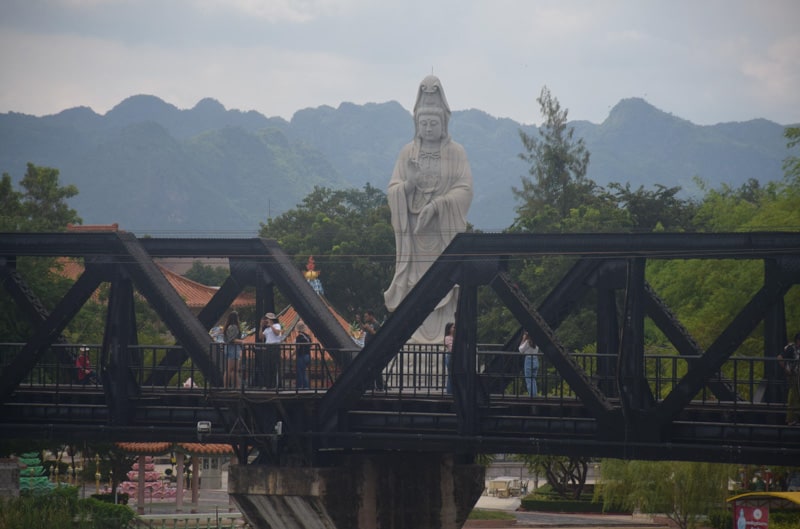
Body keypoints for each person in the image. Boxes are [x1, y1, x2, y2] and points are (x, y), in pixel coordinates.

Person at [383, 75, 473, 344]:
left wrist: (438, 205)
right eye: (424, 123)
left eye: (434, 122)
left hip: (442, 236)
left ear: (444, 123)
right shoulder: (406, 152)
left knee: (444, 283)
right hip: (413, 238)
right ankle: (412, 339)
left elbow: (465, 189)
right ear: (416, 124)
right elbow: (393, 189)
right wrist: (408, 185)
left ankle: (445, 338)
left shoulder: (456, 152)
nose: (429, 127)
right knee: (414, 290)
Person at [778, 332, 800, 425]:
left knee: (795, 397)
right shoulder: (792, 348)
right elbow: (780, 357)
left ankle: (793, 418)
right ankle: (792, 419)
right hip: (795, 376)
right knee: (794, 396)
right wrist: (786, 369)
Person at [361, 310, 385, 390]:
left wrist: (369, 329)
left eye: (366, 316)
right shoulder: (370, 324)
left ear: (371, 316)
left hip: (374, 350)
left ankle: (379, 386)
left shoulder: (376, 324)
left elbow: (377, 334)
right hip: (368, 349)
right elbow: (364, 329)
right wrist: (359, 322)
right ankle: (371, 386)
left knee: (376, 368)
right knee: (369, 368)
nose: (365, 318)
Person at [261, 312, 283, 388]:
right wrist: (261, 326)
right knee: (267, 366)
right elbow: (261, 337)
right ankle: (268, 384)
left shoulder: (277, 326)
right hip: (268, 347)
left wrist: (271, 325)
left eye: (267, 319)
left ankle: (276, 385)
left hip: (275, 347)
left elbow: (277, 333)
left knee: (275, 366)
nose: (266, 320)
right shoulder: (266, 329)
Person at [223, 311, 242, 388]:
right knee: (231, 369)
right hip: (233, 348)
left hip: (231, 348)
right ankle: (228, 386)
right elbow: (231, 339)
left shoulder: (228, 327)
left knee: (234, 369)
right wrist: (242, 341)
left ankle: (235, 386)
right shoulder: (233, 327)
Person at [518, 331, 540, 396]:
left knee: (528, 379)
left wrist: (523, 339)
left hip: (528, 360)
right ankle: (534, 395)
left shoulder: (527, 342)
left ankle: (532, 396)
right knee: (533, 379)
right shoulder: (536, 341)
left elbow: (520, 350)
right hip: (535, 359)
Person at [294, 322, 312, 389]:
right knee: (304, 371)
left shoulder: (299, 337)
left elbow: (297, 347)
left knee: (300, 372)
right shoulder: (308, 336)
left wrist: (292, 354)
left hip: (301, 355)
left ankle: (300, 387)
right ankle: (306, 386)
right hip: (307, 355)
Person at [443, 322, 455, 394]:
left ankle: (452, 391)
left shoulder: (454, 337)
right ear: (449, 329)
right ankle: (450, 392)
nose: (454, 329)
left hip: (454, 357)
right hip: (451, 356)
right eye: (453, 327)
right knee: (451, 375)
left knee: (453, 375)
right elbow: (451, 348)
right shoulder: (447, 338)